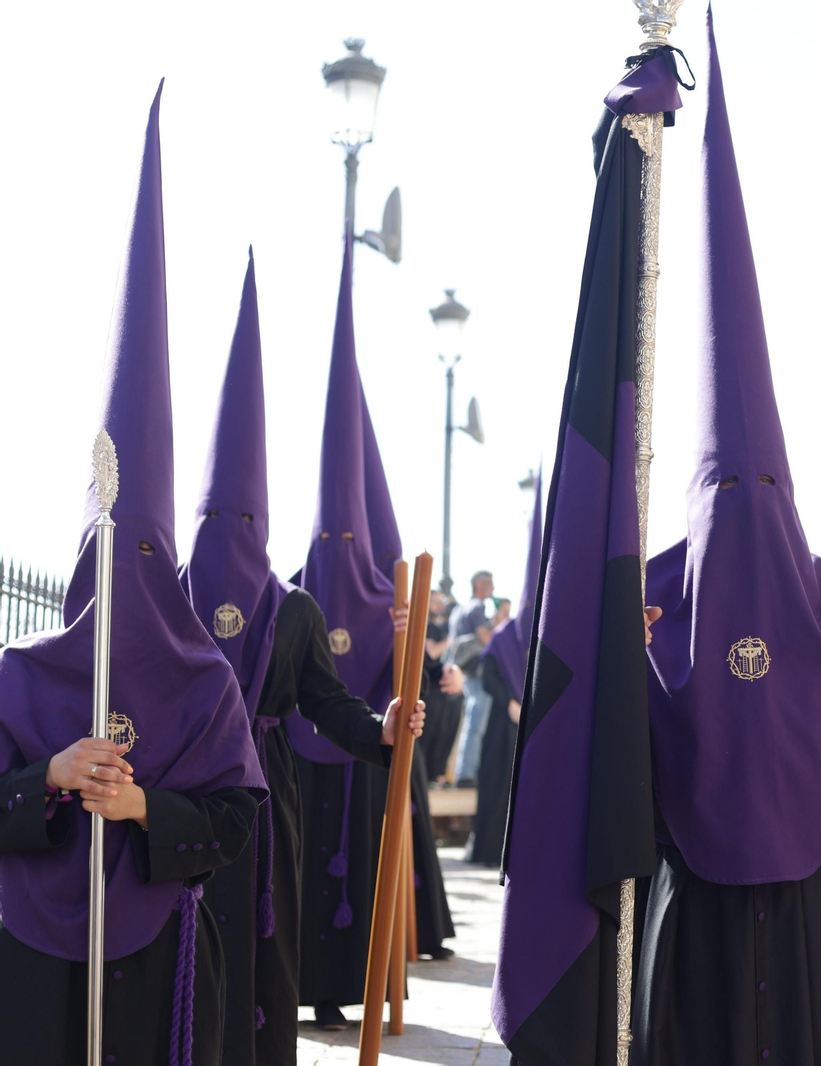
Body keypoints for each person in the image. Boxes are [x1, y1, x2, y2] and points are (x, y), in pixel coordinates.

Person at [634, 18, 821, 1063]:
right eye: (723, 491)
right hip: (687, 899)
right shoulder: (650, 607)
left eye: (761, 489)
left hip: (815, 906)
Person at [0, 84, 268, 1066]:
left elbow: (236, 822)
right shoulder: (21, 673)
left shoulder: (205, 683)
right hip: (28, 951)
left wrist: (145, 805)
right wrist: (51, 777)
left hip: (154, 951)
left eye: (146, 557)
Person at [179, 248, 430, 1062]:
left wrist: (382, 730)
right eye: (217, 516)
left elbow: (326, 702)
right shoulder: (171, 594)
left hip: (267, 798)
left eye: (242, 520)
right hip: (181, 795)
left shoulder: (294, 611)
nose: (230, 537)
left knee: (266, 944)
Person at [285, 234, 452, 1033]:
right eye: (327, 542)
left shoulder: (386, 598)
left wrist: (398, 671)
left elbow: (405, 680)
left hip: (359, 761)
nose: (335, 553)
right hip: (297, 763)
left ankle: (355, 988)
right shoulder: (295, 595)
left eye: (346, 543)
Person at [468, 475, 542, 866]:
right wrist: (512, 703)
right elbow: (489, 673)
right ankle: (488, 850)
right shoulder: (502, 638)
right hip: (505, 723)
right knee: (497, 784)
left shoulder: (550, 635)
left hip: (537, 724)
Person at [448, 570, 498, 787]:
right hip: (475, 673)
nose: (493, 588)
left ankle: (464, 772)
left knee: (470, 722)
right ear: (479, 584)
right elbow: (486, 638)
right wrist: (498, 624)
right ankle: (466, 775)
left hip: (462, 673)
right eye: (490, 583)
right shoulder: (477, 607)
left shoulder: (459, 609)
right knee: (475, 724)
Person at [418, 589, 466, 784]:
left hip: (439, 690)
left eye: (440, 602)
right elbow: (431, 652)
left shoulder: (437, 626)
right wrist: (450, 640)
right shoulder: (426, 626)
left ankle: (434, 774)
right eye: (435, 602)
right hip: (428, 691)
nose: (439, 606)